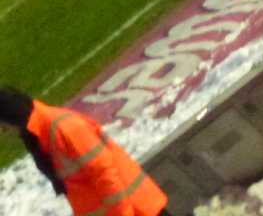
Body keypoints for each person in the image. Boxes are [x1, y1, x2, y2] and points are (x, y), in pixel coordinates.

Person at [0, 86, 169, 214]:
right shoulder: (40, 136)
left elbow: (104, 173)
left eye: (3, 127)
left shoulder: (63, 128)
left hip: (136, 210)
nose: (5, 131)